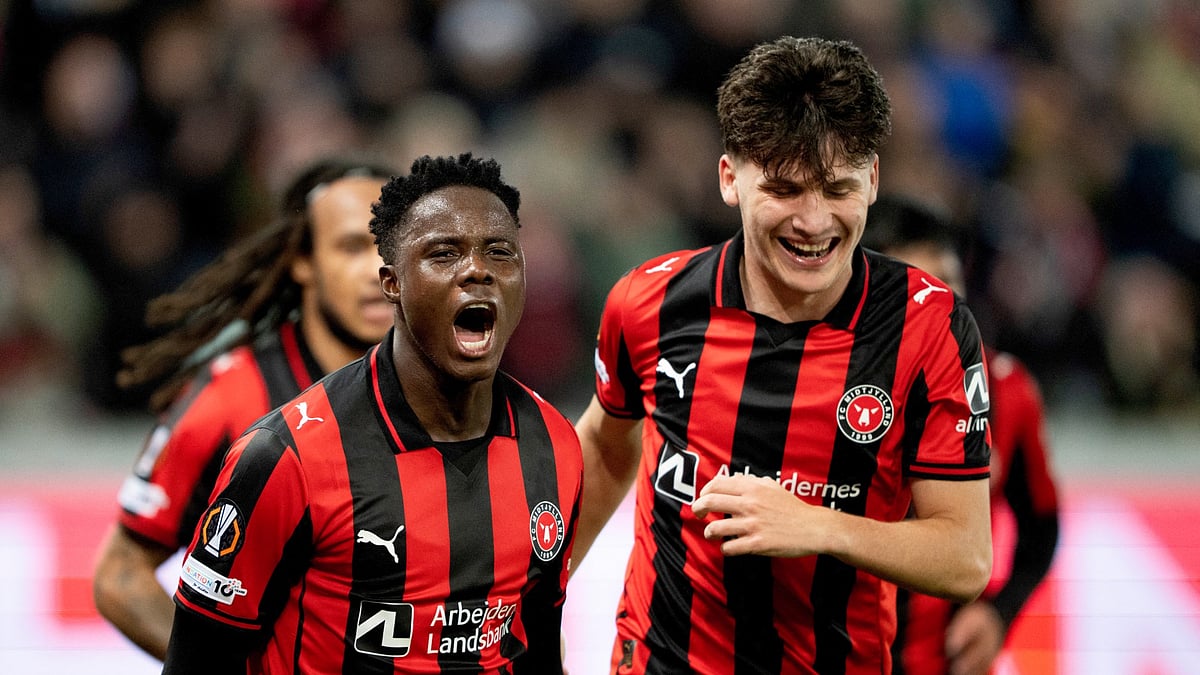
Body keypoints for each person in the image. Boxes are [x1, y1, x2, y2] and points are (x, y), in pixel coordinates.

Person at [571, 36, 994, 673]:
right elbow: (605, 445)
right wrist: (536, 596)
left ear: (873, 180)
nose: (815, 220)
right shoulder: (649, 302)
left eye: (836, 188)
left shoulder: (928, 325)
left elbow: (966, 557)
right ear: (729, 180)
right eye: (786, 189)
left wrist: (817, 526)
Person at [160, 152, 583, 674]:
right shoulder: (286, 457)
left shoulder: (554, 444)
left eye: (500, 253)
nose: (477, 270)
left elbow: (536, 649)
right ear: (393, 284)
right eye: (445, 253)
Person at [92, 157, 398, 660]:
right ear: (303, 261)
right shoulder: (233, 397)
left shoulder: (445, 388)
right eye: (351, 247)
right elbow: (120, 576)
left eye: (391, 248)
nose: (377, 269)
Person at [862, 194, 1060, 675]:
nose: (940, 311)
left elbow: (1042, 529)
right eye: (917, 292)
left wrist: (998, 613)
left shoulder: (1006, 390)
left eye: (949, 287)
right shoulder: (823, 389)